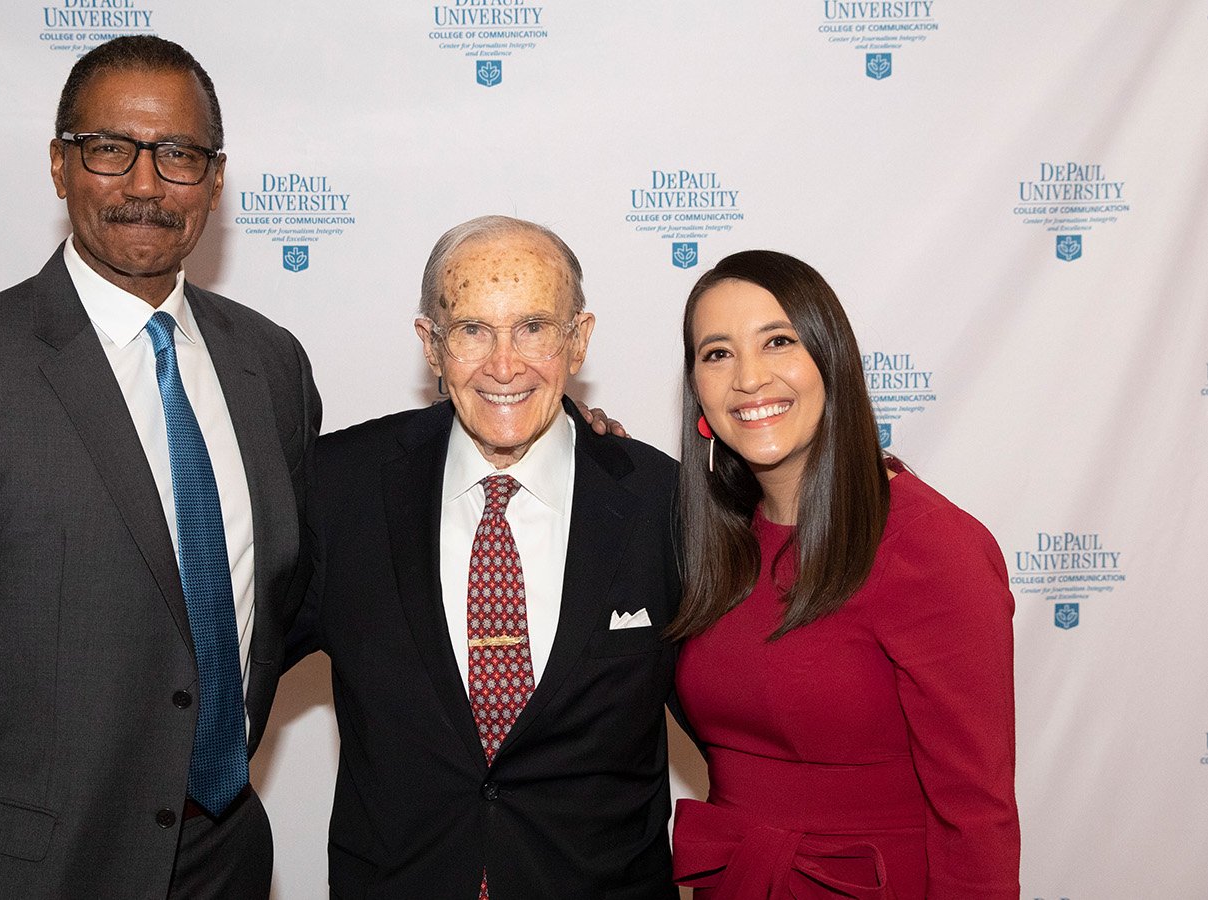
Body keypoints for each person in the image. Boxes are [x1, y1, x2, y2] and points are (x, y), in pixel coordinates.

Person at [0, 36, 320, 898]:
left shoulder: (270, 365)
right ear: (60, 166)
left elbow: (294, 589)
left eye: (178, 155)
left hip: (224, 863)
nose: (145, 184)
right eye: (109, 149)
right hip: (40, 874)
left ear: (214, 180)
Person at [285, 215, 682, 898]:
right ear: (430, 345)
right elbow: (221, 668)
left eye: (533, 328)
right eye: (472, 330)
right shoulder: (337, 488)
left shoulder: (663, 502)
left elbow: (747, 717)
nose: (504, 365)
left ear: (578, 340)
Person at [667, 250, 1019, 898]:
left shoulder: (932, 548)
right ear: (699, 395)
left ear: (831, 360)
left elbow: (977, 815)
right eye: (717, 353)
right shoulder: (712, 541)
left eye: (778, 341)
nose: (748, 378)